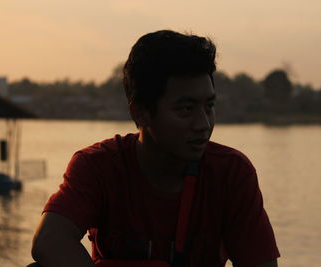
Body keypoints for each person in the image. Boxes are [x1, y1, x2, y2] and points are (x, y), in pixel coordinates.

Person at [30, 30, 280, 267]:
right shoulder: (99, 166)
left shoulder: (231, 173)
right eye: (186, 109)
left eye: (209, 106)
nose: (204, 124)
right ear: (140, 113)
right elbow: (49, 241)